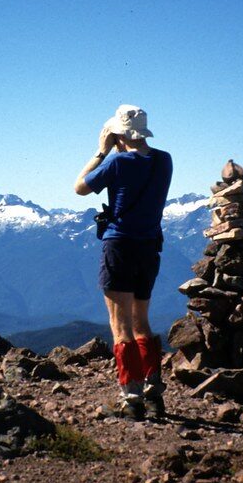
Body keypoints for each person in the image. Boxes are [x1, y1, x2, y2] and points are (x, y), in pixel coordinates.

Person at [73, 104, 173, 420]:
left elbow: (79, 187)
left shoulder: (116, 162)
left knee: (121, 326)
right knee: (142, 320)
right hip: (150, 247)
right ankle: (154, 395)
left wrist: (101, 151)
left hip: (119, 246)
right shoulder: (164, 160)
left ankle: (132, 400)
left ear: (118, 133)